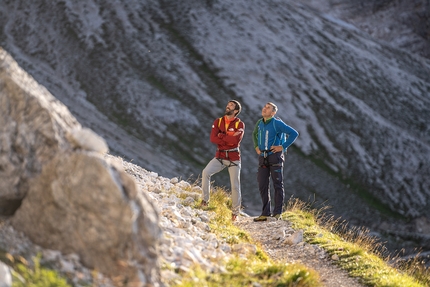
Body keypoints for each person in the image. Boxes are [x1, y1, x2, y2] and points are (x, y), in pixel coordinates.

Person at [252, 102, 299, 222]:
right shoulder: (259, 122)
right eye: (264, 107)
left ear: (273, 112)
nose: (264, 109)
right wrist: (256, 147)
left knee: (277, 185)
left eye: (268, 108)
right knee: (262, 184)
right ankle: (265, 213)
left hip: (275, 157)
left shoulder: (277, 123)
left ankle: (278, 212)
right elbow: (254, 134)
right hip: (263, 156)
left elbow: (294, 133)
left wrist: (282, 147)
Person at [201, 100, 245, 221]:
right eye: (228, 104)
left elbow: (235, 141)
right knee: (206, 172)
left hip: (234, 158)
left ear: (236, 111)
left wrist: (221, 136)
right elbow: (213, 138)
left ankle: (235, 212)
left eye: (231, 105)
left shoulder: (239, 124)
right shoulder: (218, 121)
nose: (228, 106)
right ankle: (205, 201)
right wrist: (228, 138)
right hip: (220, 157)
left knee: (235, 185)